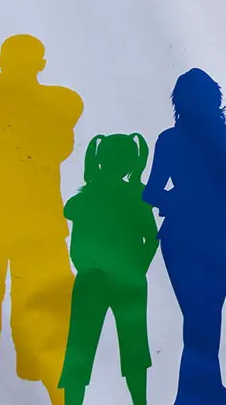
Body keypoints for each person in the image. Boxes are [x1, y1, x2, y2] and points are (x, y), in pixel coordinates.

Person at [0, 35, 82, 405]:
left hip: (4, 223)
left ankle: (38, 374)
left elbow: (57, 145)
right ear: (40, 64)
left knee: (36, 311)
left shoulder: (57, 102)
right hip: (23, 223)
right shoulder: (57, 103)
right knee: (42, 312)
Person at [143, 68, 226, 405]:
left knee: (199, 315)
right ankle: (198, 393)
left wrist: (176, 199)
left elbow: (151, 193)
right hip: (213, 234)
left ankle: (198, 393)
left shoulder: (171, 140)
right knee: (205, 315)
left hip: (184, 235)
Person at [59, 134, 156, 405]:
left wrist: (136, 269)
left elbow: (150, 237)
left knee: (128, 347)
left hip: (120, 279)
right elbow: (78, 242)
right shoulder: (92, 196)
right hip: (101, 279)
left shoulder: (128, 195)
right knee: (83, 348)